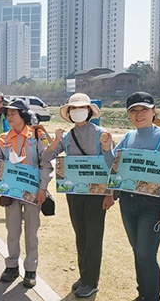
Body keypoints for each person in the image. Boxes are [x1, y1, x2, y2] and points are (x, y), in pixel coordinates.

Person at [101, 92, 160, 301]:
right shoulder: (128, 137)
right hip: (128, 202)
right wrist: (105, 148)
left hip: (154, 205)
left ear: (154, 111)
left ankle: (152, 297)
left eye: (144, 109)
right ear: (129, 114)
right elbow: (113, 165)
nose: (139, 114)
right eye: (134, 110)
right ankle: (143, 295)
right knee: (138, 251)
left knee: (146, 254)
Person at [43, 93, 115, 298]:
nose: (77, 112)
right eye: (73, 109)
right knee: (81, 234)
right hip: (74, 192)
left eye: (81, 108)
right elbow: (47, 157)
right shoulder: (66, 137)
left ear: (90, 111)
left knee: (94, 237)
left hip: (96, 194)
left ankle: (91, 282)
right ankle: (85, 276)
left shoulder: (101, 134)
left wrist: (110, 194)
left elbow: (112, 166)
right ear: (69, 113)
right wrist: (55, 140)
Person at [0, 99, 53, 287]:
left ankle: (31, 269)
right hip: (12, 192)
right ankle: (11, 266)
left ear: (23, 115)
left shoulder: (37, 135)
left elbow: (46, 162)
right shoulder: (2, 138)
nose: (9, 117)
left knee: (32, 232)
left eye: (13, 114)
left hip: (34, 193)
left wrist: (43, 188)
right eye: (7, 114)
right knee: (12, 230)